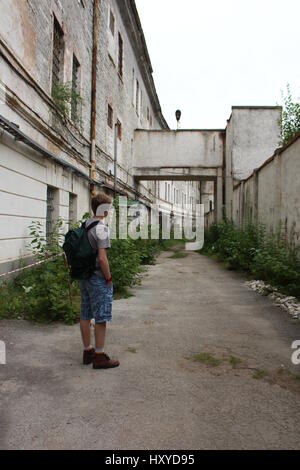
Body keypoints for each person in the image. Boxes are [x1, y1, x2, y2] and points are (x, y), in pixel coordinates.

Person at [79, 192, 120, 369]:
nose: (109, 211)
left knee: (85, 313)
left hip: (85, 276)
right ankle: (99, 355)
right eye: (108, 208)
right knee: (101, 317)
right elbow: (102, 259)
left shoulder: (85, 224)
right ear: (104, 209)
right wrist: (108, 277)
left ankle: (87, 351)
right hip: (96, 276)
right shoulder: (101, 228)